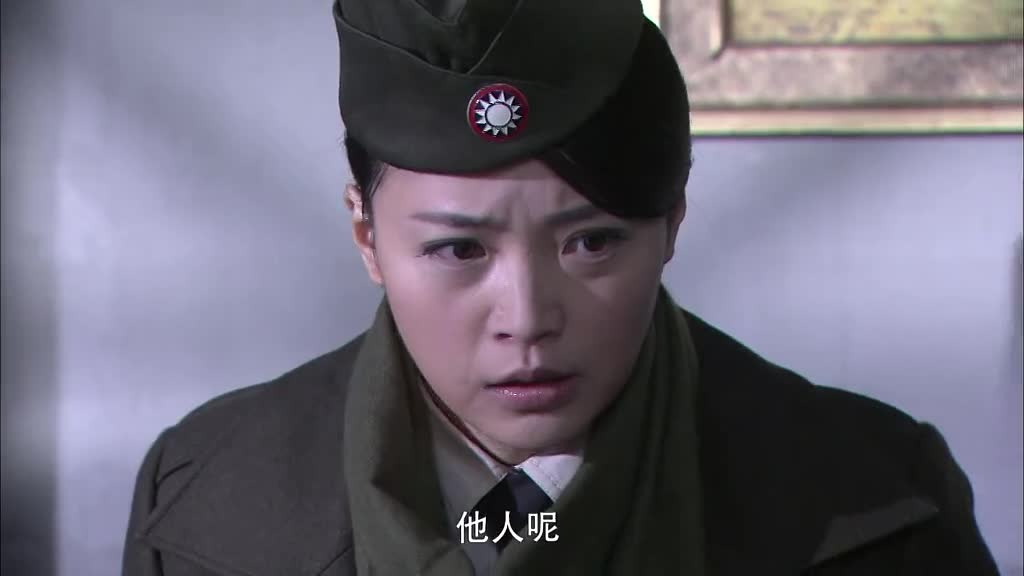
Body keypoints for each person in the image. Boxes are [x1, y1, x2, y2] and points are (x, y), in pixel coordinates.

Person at [122, 1, 999, 574]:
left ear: (672, 223)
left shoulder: (876, 503)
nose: (528, 319)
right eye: (459, 250)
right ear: (367, 236)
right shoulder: (207, 501)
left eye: (591, 242)